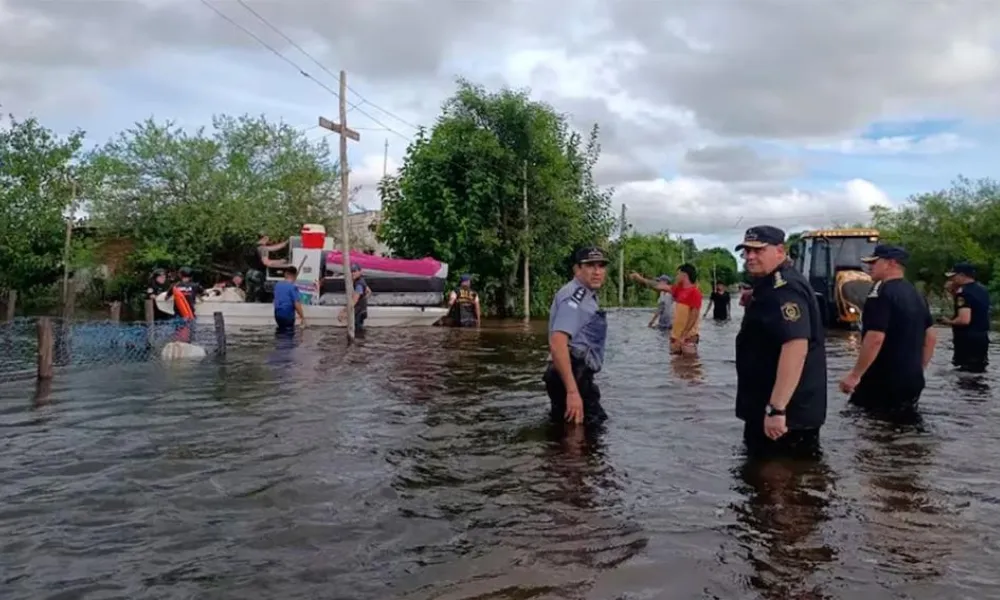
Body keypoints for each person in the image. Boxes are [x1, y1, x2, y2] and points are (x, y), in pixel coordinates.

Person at [734, 225, 826, 458]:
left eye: (758, 250)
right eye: (746, 251)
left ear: (779, 250)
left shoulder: (784, 288)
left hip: (785, 416)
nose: (750, 257)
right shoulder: (771, 284)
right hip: (776, 409)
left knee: (778, 482)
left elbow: (795, 346)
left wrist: (776, 408)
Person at [838, 245, 936, 419]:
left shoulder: (880, 292)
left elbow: (875, 337)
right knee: (903, 428)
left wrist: (855, 375)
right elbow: (931, 337)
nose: (869, 266)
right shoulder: (916, 294)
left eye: (874, 262)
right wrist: (918, 369)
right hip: (912, 379)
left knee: (865, 428)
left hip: (882, 379)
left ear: (891, 263)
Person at [544, 247, 609, 427]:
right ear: (577, 269)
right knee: (586, 436)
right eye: (590, 266)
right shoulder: (575, 298)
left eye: (601, 266)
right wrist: (572, 392)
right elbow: (558, 343)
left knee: (569, 433)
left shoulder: (585, 295)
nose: (597, 272)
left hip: (573, 375)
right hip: (572, 375)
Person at [631, 264, 703, 355]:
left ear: (684, 275)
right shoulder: (678, 290)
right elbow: (658, 286)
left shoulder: (695, 292)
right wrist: (640, 279)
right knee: (675, 366)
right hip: (675, 336)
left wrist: (683, 336)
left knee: (690, 365)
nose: (676, 277)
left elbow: (694, 316)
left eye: (678, 274)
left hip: (688, 337)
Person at [941, 262, 991, 372]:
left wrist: (948, 321)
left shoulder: (964, 293)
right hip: (982, 337)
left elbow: (964, 319)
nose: (951, 279)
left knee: (964, 373)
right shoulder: (983, 290)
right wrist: (954, 292)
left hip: (967, 340)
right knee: (978, 371)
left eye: (953, 276)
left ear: (962, 275)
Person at [246, 232, 290, 301]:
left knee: (250, 295)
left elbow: (270, 248)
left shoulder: (254, 246)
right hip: (258, 275)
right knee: (258, 296)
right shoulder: (263, 249)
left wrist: (284, 244)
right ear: (265, 238)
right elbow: (266, 262)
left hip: (250, 273)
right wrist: (282, 261)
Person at [339, 263, 372, 333]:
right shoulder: (361, 280)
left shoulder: (359, 284)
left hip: (359, 312)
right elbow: (369, 291)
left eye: (355, 271)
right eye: (352, 271)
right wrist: (363, 301)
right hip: (363, 310)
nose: (353, 273)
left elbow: (354, 300)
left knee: (357, 331)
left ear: (360, 272)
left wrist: (344, 312)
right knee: (360, 331)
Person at [272, 266, 305, 333]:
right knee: (288, 334)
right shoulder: (293, 287)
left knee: (280, 332)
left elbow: (275, 300)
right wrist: (302, 317)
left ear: (285, 274)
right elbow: (297, 303)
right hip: (287, 314)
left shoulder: (277, 285)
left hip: (277, 314)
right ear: (295, 276)